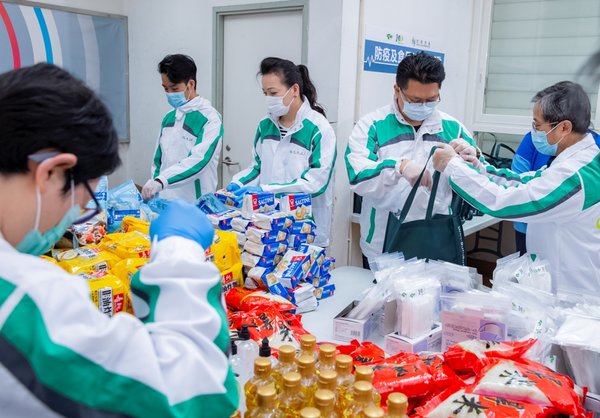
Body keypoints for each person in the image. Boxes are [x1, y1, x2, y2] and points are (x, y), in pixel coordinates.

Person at [0, 64, 237, 417]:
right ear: (50, 173)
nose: (76, 217)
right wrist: (179, 253)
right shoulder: (20, 295)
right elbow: (192, 390)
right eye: (85, 202)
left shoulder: (209, 117)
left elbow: (199, 158)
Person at [433, 81, 600, 295]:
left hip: (572, 292)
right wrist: (475, 163)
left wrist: (453, 166)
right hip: (561, 280)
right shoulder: (577, 160)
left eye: (538, 126)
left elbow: (505, 202)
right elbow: (525, 182)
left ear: (564, 127)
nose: (534, 132)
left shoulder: (577, 175)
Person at [344, 52, 475, 268]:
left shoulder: (454, 128)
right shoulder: (372, 126)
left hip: (434, 240)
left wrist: (471, 158)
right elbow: (358, 177)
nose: (423, 106)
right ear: (397, 89)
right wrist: (398, 166)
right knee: (383, 301)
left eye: (431, 100)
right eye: (415, 100)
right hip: (384, 242)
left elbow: (475, 181)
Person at [225, 57, 337, 247]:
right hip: (268, 226)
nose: (269, 99)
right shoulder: (265, 125)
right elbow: (257, 168)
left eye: (273, 92)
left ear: (294, 90)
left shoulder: (319, 128)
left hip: (305, 229)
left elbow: (316, 183)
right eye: (265, 93)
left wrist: (266, 189)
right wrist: (236, 183)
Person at [142, 54, 223, 203]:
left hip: (195, 204)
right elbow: (158, 160)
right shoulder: (168, 118)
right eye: (165, 88)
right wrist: (155, 184)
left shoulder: (210, 118)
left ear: (190, 84)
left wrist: (161, 181)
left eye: (174, 88)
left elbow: (199, 161)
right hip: (165, 201)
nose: (169, 94)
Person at [511, 129, 600, 254]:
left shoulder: (594, 144)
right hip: (528, 224)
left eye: (538, 123)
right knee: (528, 267)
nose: (536, 129)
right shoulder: (534, 139)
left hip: (574, 232)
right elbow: (517, 179)